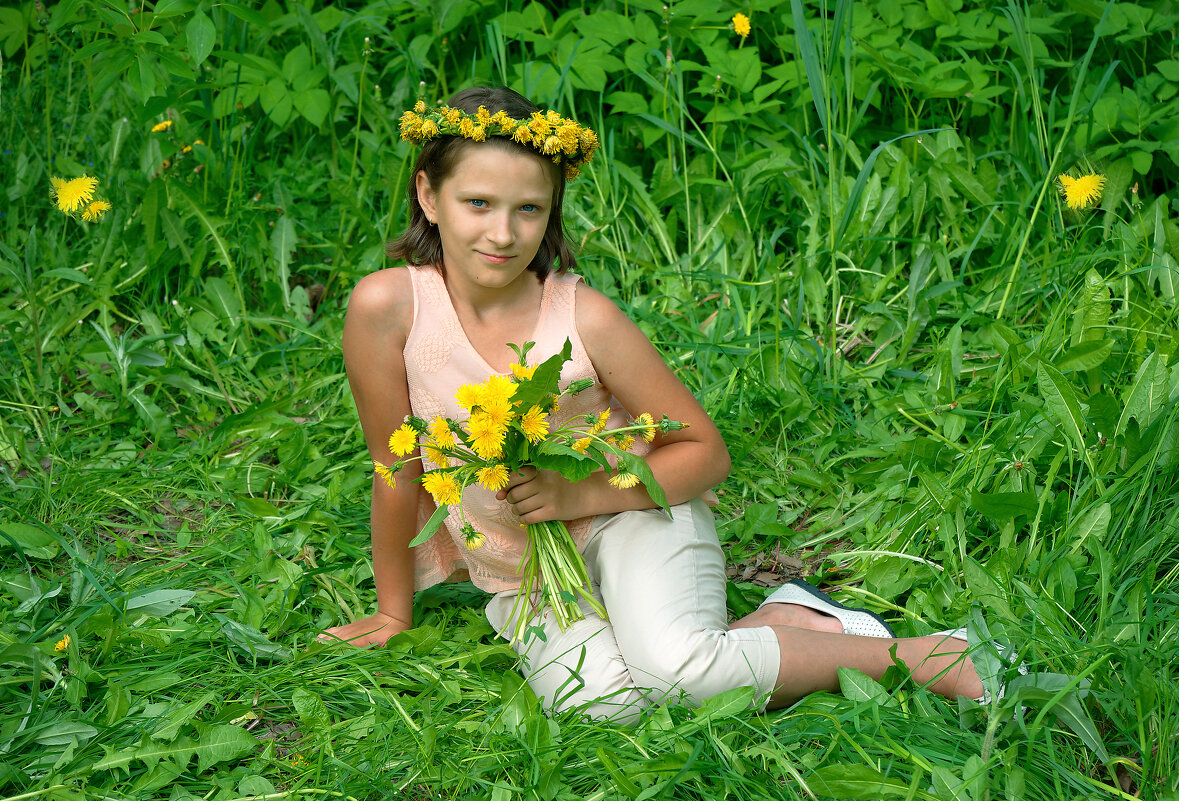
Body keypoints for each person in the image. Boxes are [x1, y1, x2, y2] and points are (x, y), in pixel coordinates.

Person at [320, 86, 989, 723]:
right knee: (601, 705)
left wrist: (576, 495)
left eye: (528, 209)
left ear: (550, 211)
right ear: (427, 195)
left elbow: (704, 451)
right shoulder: (388, 309)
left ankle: (933, 657)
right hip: (522, 566)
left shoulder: (585, 318)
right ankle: (785, 623)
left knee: (676, 670)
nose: (502, 233)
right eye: (477, 203)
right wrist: (393, 613)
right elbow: (393, 465)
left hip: (633, 514)